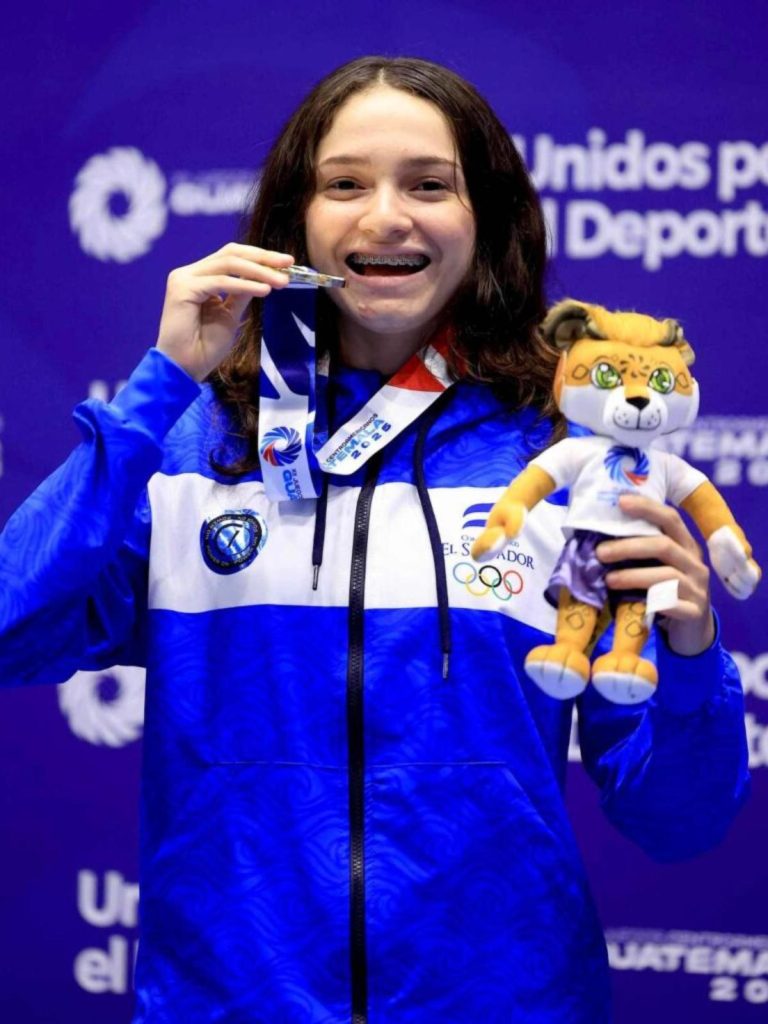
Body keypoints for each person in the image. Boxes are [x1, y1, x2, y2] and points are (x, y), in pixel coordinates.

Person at [0, 56, 749, 1024]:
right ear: (296, 220)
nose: (386, 217)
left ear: (486, 218)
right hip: (228, 1003)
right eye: (345, 184)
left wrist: (689, 660)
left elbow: (677, 819)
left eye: (429, 185)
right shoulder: (191, 445)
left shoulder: (565, 456)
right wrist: (160, 384)